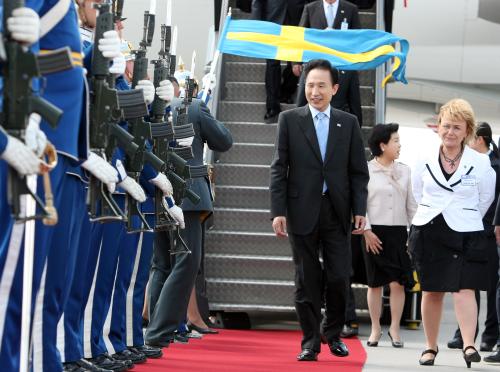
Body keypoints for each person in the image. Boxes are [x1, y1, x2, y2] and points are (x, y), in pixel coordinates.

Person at [270, 59, 369, 362]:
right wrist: (278, 210)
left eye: (321, 85)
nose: (314, 91)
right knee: (306, 278)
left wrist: (360, 208)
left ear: (334, 89)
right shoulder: (290, 120)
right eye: (310, 85)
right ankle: (310, 341)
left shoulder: (348, 122)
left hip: (338, 211)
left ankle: (333, 334)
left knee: (339, 276)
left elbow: (358, 172)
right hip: (301, 210)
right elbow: (279, 168)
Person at [409, 98, 496, 368]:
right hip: (430, 230)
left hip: (466, 233)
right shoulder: (423, 159)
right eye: (446, 126)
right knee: (432, 291)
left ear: (467, 131)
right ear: (438, 128)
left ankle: (469, 344)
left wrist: (463, 216)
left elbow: (485, 199)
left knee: (464, 290)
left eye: (457, 128)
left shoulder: (480, 163)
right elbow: (417, 194)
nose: (450, 132)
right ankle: (429, 347)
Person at [145, 97, 233, 347]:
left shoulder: (151, 104)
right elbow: (224, 140)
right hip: (188, 194)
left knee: (161, 264)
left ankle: (156, 328)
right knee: (186, 262)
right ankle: (158, 331)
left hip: (158, 191)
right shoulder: (194, 106)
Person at [447, 122, 500, 353]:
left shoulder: (496, 164)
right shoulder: (464, 162)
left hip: (488, 232)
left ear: (479, 139)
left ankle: (490, 335)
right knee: (466, 283)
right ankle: (465, 334)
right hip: (466, 229)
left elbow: (494, 200)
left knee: (491, 284)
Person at [362, 123, 417, 348]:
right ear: (382, 145)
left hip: (397, 233)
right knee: (374, 284)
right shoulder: (366, 169)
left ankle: (394, 328)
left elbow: (411, 205)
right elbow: (359, 204)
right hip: (373, 232)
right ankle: (375, 329)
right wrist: (366, 231)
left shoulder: (405, 170)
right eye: (395, 141)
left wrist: (414, 233)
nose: (399, 145)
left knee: (398, 283)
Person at [251, 0, 312, 123]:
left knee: (295, 62)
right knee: (272, 64)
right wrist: (256, 24)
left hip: (298, 19)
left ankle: (287, 91)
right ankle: (272, 106)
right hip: (273, 21)